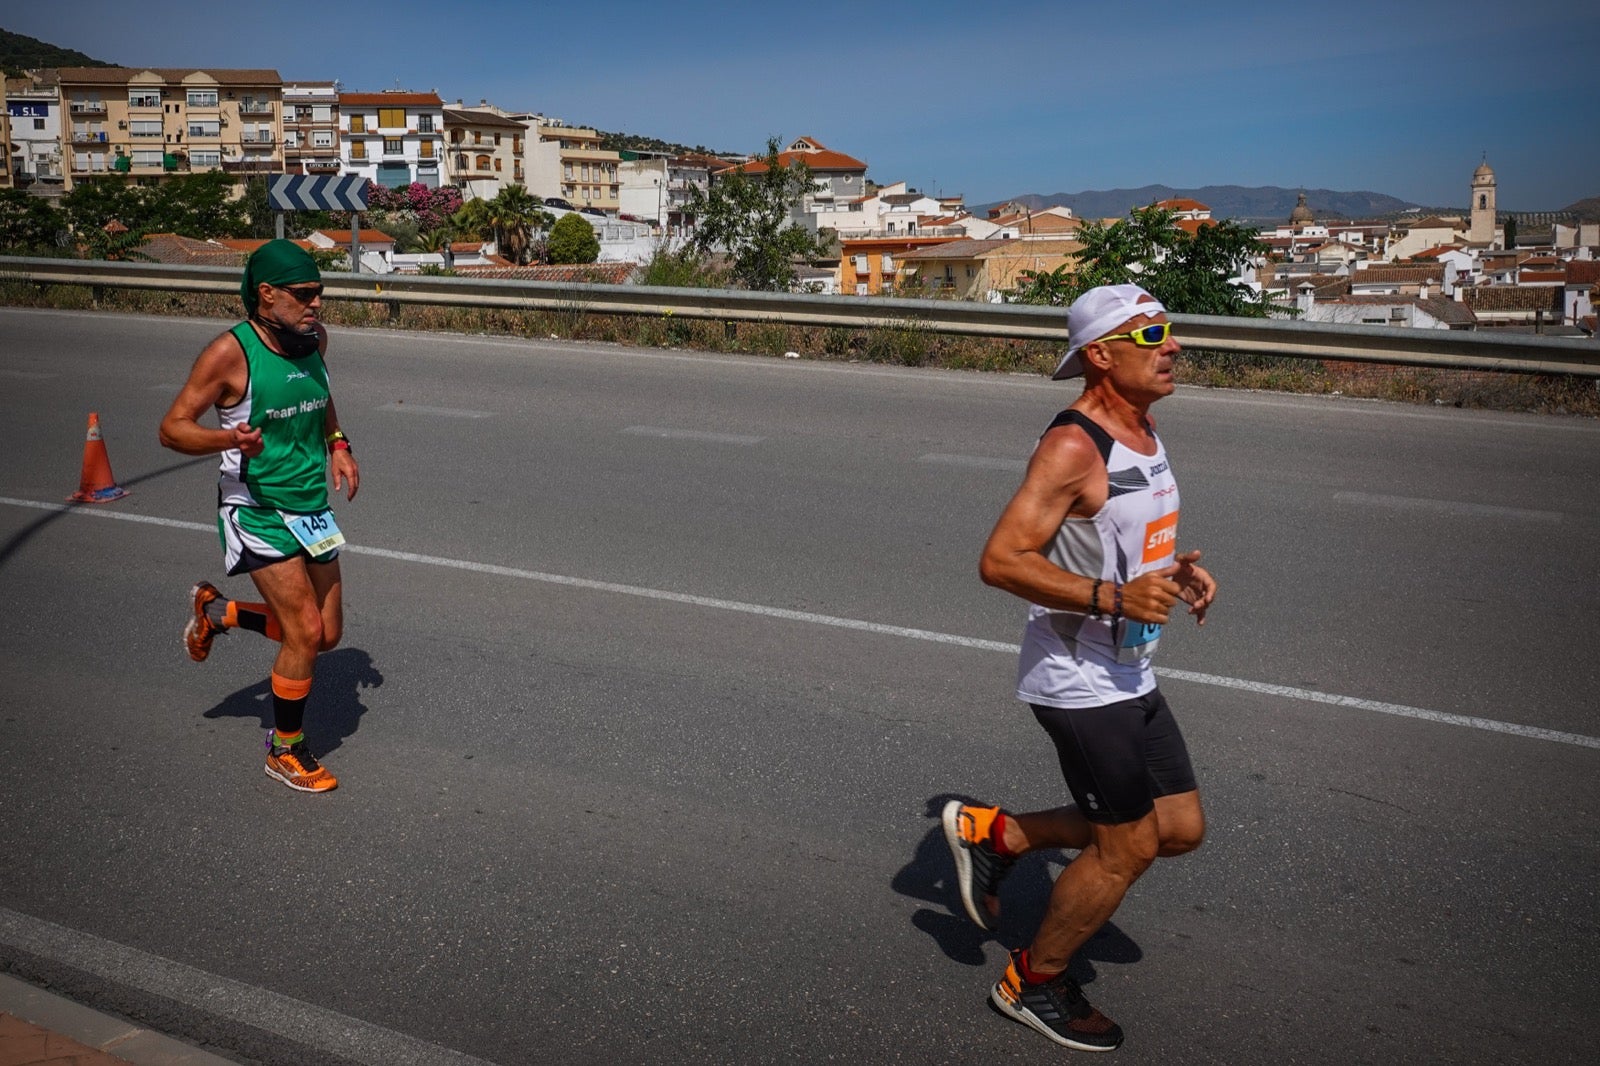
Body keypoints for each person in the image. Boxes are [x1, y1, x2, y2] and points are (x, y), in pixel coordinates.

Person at [943, 283, 1217, 1052]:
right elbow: (1000, 561)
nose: (1173, 345)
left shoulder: (1145, 427)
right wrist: (1112, 595)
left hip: (1131, 670)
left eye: (1172, 329)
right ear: (1100, 355)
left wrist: (1176, 570)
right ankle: (1032, 982)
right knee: (1125, 847)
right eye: (1153, 332)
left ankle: (1000, 837)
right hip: (1078, 678)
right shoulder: (1074, 444)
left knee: (1180, 829)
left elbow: (1120, 533)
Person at [158, 239, 359, 794]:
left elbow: (321, 398)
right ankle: (285, 750)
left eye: (320, 292)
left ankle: (218, 613)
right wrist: (228, 437)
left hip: (310, 508)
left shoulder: (314, 340)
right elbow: (172, 427)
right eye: (303, 294)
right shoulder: (231, 353)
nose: (316, 303)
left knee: (328, 636)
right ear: (265, 295)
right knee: (304, 630)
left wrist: (338, 444)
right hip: (257, 508)